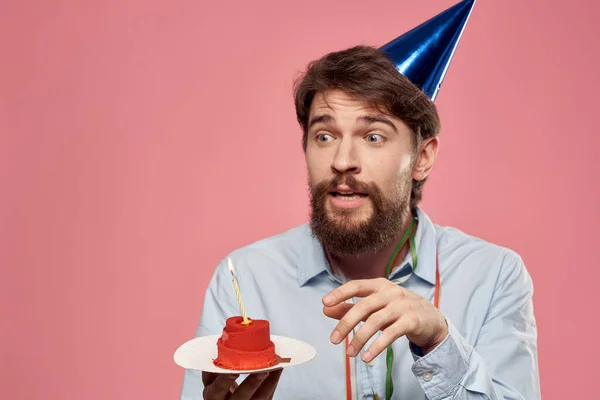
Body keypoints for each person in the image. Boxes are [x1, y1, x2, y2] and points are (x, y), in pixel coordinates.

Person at [179, 42, 540, 400]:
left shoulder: (494, 276)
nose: (343, 160)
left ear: (422, 158)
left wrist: (438, 341)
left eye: (373, 136)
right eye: (324, 136)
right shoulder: (246, 279)